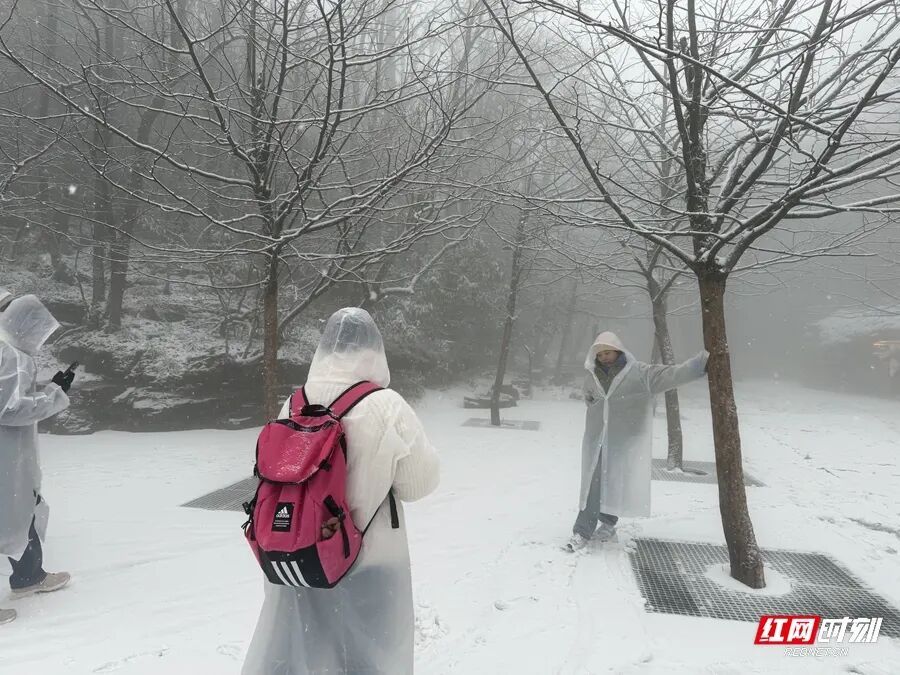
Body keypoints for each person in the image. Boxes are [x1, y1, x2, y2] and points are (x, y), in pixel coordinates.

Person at [242, 307, 440, 675]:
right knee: (368, 659)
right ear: (374, 349)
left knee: (307, 654)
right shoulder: (385, 404)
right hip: (371, 561)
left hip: (300, 554)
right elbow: (419, 484)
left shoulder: (295, 402)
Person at [567, 331, 708, 552]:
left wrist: (699, 365)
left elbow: (671, 375)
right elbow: (591, 398)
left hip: (624, 440)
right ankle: (581, 531)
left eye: (608, 352)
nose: (604, 357)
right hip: (598, 441)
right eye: (600, 353)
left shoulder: (640, 373)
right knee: (594, 484)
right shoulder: (592, 376)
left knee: (614, 480)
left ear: (618, 351)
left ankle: (607, 523)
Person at [0, 291, 75, 625]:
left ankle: (29, 575)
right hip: (6, 452)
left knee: (23, 505)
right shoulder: (10, 355)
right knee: (13, 506)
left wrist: (51, 390)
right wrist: (55, 394)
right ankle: (29, 575)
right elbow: (10, 408)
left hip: (12, 454)